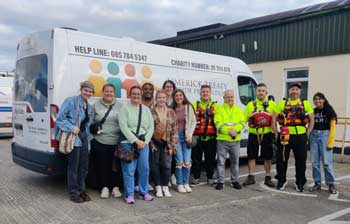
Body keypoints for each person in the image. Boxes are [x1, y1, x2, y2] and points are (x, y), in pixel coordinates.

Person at [55, 81, 94, 203]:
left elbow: (88, 125)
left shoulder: (90, 107)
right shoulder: (71, 101)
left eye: (90, 91)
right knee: (73, 166)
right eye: (85, 90)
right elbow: (60, 119)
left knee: (84, 167)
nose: (87, 93)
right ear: (81, 89)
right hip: (73, 137)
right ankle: (73, 192)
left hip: (84, 138)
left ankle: (81, 190)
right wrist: (72, 128)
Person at [272, 82, 314, 192]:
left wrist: (307, 133)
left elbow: (312, 119)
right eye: (292, 89)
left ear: (300, 91)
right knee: (281, 159)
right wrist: (276, 132)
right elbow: (274, 118)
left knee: (301, 160)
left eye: (296, 89)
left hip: (300, 136)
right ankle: (281, 180)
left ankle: (300, 182)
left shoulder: (305, 103)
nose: (294, 91)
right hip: (285, 135)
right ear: (289, 91)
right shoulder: (282, 103)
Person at [118, 86, 154, 204]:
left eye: (138, 94)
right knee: (129, 169)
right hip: (128, 143)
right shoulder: (124, 108)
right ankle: (130, 194)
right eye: (134, 94)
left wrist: (145, 141)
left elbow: (151, 127)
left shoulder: (146, 110)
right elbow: (123, 126)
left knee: (144, 168)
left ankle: (144, 192)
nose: (136, 96)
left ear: (141, 95)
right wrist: (135, 140)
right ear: (130, 94)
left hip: (143, 144)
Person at [90, 84, 123, 198]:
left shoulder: (120, 106)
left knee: (116, 167)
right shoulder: (95, 106)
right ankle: (104, 188)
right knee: (102, 165)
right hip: (100, 141)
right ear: (103, 92)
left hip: (116, 141)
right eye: (107, 91)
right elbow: (89, 123)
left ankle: (115, 187)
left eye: (111, 91)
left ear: (114, 93)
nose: (109, 93)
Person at [243, 83, 276, 187]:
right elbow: (244, 118)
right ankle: (251, 177)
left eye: (263, 91)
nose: (261, 92)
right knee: (251, 156)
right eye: (259, 90)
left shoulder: (272, 105)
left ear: (266, 92)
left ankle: (268, 177)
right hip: (254, 133)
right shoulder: (250, 105)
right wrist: (253, 114)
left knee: (268, 157)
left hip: (266, 134)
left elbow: (277, 116)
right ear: (256, 92)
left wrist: (267, 114)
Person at [214, 90, 245, 190]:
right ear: (224, 98)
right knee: (221, 162)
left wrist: (236, 130)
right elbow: (217, 123)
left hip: (235, 141)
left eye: (231, 97)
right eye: (228, 97)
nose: (230, 99)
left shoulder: (238, 109)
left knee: (235, 162)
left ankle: (235, 181)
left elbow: (242, 122)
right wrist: (229, 131)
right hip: (222, 140)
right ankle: (221, 182)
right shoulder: (219, 109)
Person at [150, 90, 178, 197]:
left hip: (167, 143)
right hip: (155, 142)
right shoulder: (151, 111)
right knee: (155, 165)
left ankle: (165, 187)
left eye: (163, 98)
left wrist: (173, 145)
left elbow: (175, 129)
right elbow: (148, 128)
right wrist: (151, 144)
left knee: (167, 165)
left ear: (166, 99)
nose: (161, 100)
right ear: (156, 99)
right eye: (159, 97)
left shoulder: (171, 112)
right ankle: (158, 187)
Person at [309, 92, 337, 194]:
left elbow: (333, 127)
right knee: (315, 162)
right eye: (315, 99)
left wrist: (330, 142)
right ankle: (317, 183)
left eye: (320, 99)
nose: (317, 101)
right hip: (314, 137)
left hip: (325, 136)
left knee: (326, 162)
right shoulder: (313, 111)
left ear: (324, 100)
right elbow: (309, 124)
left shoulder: (329, 110)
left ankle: (331, 184)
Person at [191, 84, 219, 186]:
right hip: (197, 137)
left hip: (211, 138)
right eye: (203, 92)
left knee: (210, 159)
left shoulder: (216, 106)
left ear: (210, 93)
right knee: (196, 159)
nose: (205, 93)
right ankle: (196, 177)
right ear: (200, 93)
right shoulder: (194, 105)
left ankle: (210, 177)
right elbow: (190, 119)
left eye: (207, 92)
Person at [172, 89, 196, 193]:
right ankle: (180, 184)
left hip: (186, 137)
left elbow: (193, 121)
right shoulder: (171, 109)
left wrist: (190, 134)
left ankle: (186, 183)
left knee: (187, 161)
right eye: (176, 96)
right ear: (174, 97)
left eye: (180, 95)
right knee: (179, 162)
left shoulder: (188, 107)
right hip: (176, 138)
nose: (178, 97)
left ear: (183, 96)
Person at [162, 80, 177, 186]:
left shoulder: (176, 100)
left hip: (174, 131)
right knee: (165, 155)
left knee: (173, 154)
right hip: (163, 132)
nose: (169, 88)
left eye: (170, 86)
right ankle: (166, 176)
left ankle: (172, 175)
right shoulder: (161, 99)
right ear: (164, 88)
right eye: (167, 87)